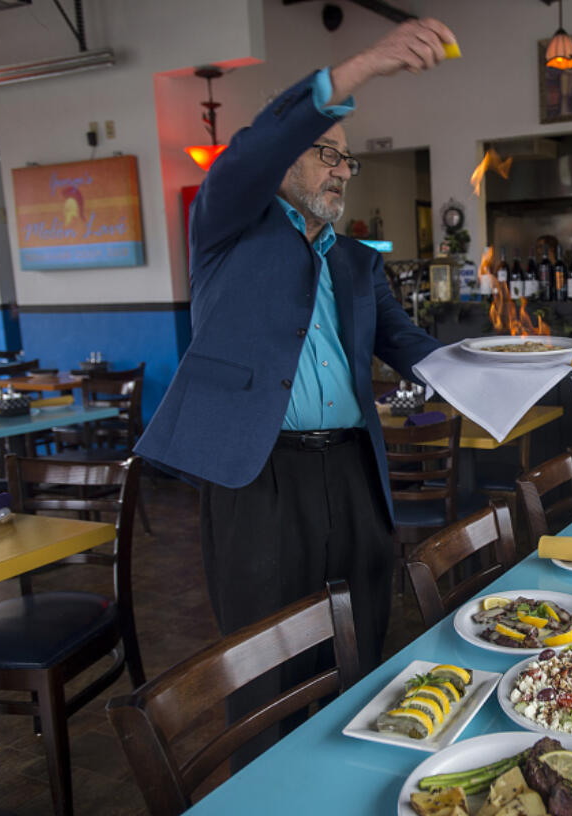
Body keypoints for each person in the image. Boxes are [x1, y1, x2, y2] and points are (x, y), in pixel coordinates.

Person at [135, 17, 457, 762]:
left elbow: (406, 344)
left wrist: (492, 369)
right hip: (258, 474)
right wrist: (364, 68)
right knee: (268, 654)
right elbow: (250, 149)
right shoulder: (224, 227)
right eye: (324, 154)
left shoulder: (355, 261)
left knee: (364, 641)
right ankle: (274, 785)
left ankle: (353, 779)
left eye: (348, 162)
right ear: (284, 163)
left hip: (351, 470)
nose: (341, 170)